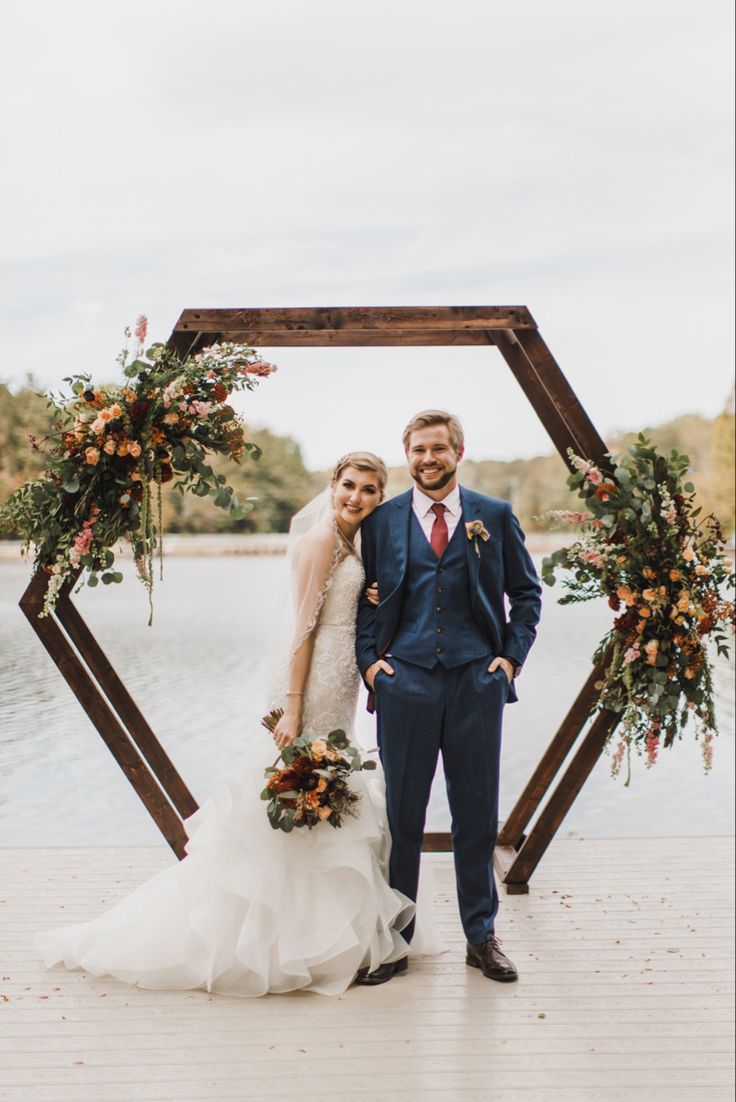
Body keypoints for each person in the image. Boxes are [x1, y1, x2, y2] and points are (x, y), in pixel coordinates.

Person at [34, 452, 440, 998]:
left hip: (337, 682)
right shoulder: (321, 540)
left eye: (370, 490)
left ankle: (327, 935)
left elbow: (352, 608)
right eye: (349, 485)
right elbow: (303, 630)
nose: (357, 498)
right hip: (311, 681)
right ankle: (284, 939)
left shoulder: (355, 541)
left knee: (326, 801)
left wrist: (370, 596)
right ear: (332, 485)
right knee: (302, 795)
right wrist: (294, 706)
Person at [356, 411, 542, 985]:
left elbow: (527, 595)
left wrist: (508, 661)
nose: (427, 458)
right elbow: (363, 600)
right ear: (406, 454)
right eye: (417, 449)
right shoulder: (382, 521)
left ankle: (481, 937)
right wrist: (371, 666)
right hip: (403, 682)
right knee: (402, 818)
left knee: (476, 817)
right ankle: (395, 941)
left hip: (474, 683)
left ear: (458, 452)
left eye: (438, 448)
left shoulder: (495, 515)